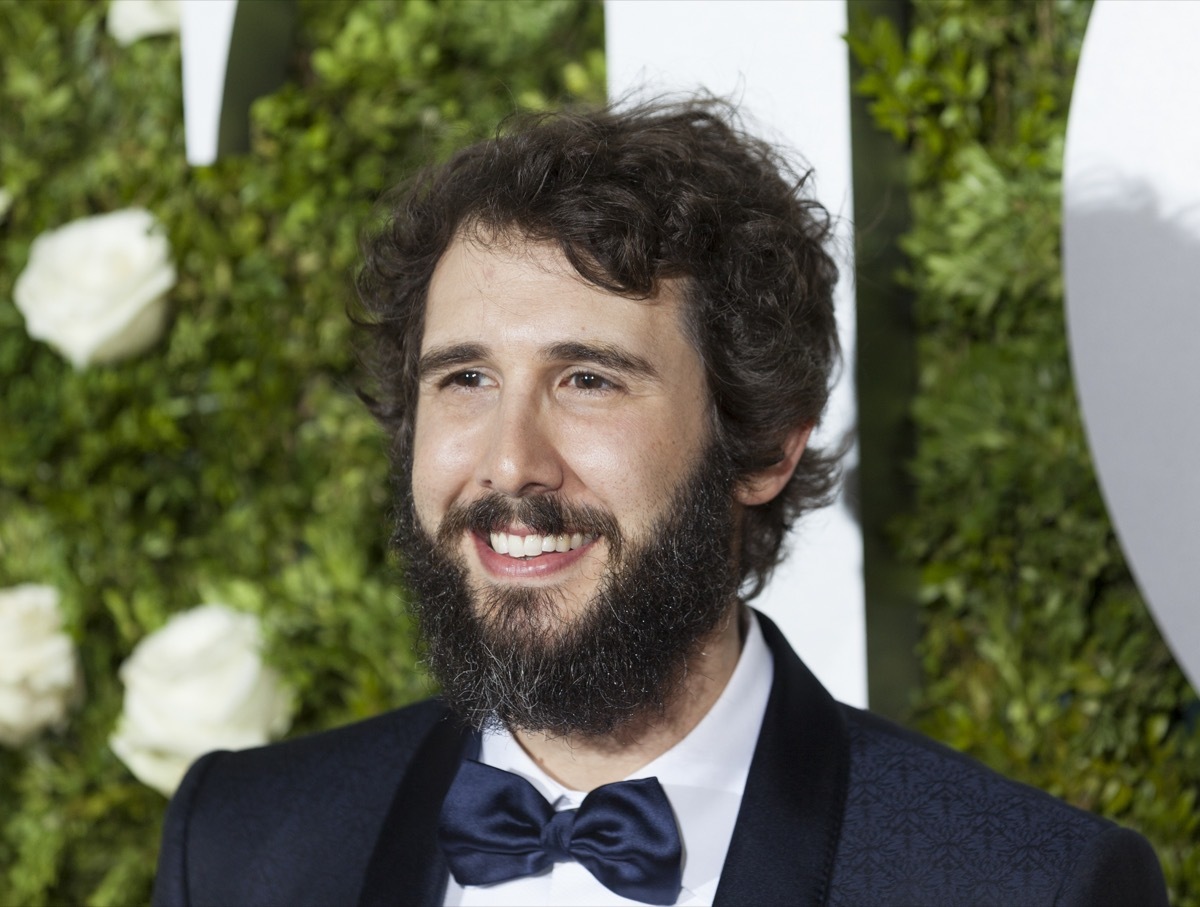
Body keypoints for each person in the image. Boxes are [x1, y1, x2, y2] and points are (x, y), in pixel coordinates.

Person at [152, 98, 1168, 907]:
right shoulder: (244, 843)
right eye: (463, 378)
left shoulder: (1025, 884)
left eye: (588, 379)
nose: (511, 463)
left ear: (764, 441)